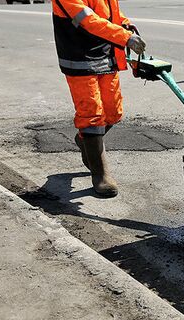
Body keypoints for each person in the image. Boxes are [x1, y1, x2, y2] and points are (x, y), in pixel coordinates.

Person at [51, 0, 146, 197]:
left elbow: (110, 14)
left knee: (113, 112)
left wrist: (127, 26)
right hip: (79, 58)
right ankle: (100, 175)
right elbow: (88, 20)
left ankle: (85, 139)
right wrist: (125, 37)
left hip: (105, 54)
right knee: (91, 115)